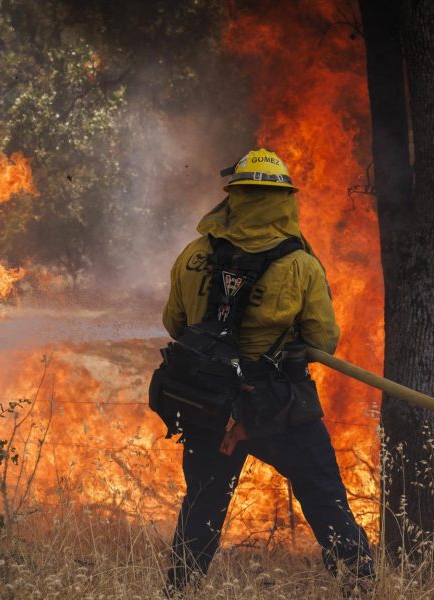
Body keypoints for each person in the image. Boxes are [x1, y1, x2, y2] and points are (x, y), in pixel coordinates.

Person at [160, 149, 374, 595]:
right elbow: (323, 339)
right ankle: (361, 586)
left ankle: (178, 589)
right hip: (275, 405)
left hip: (207, 402)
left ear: (233, 199)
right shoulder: (299, 265)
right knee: (322, 494)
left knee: (202, 503)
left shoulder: (194, 254)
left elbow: (175, 325)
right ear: (284, 200)